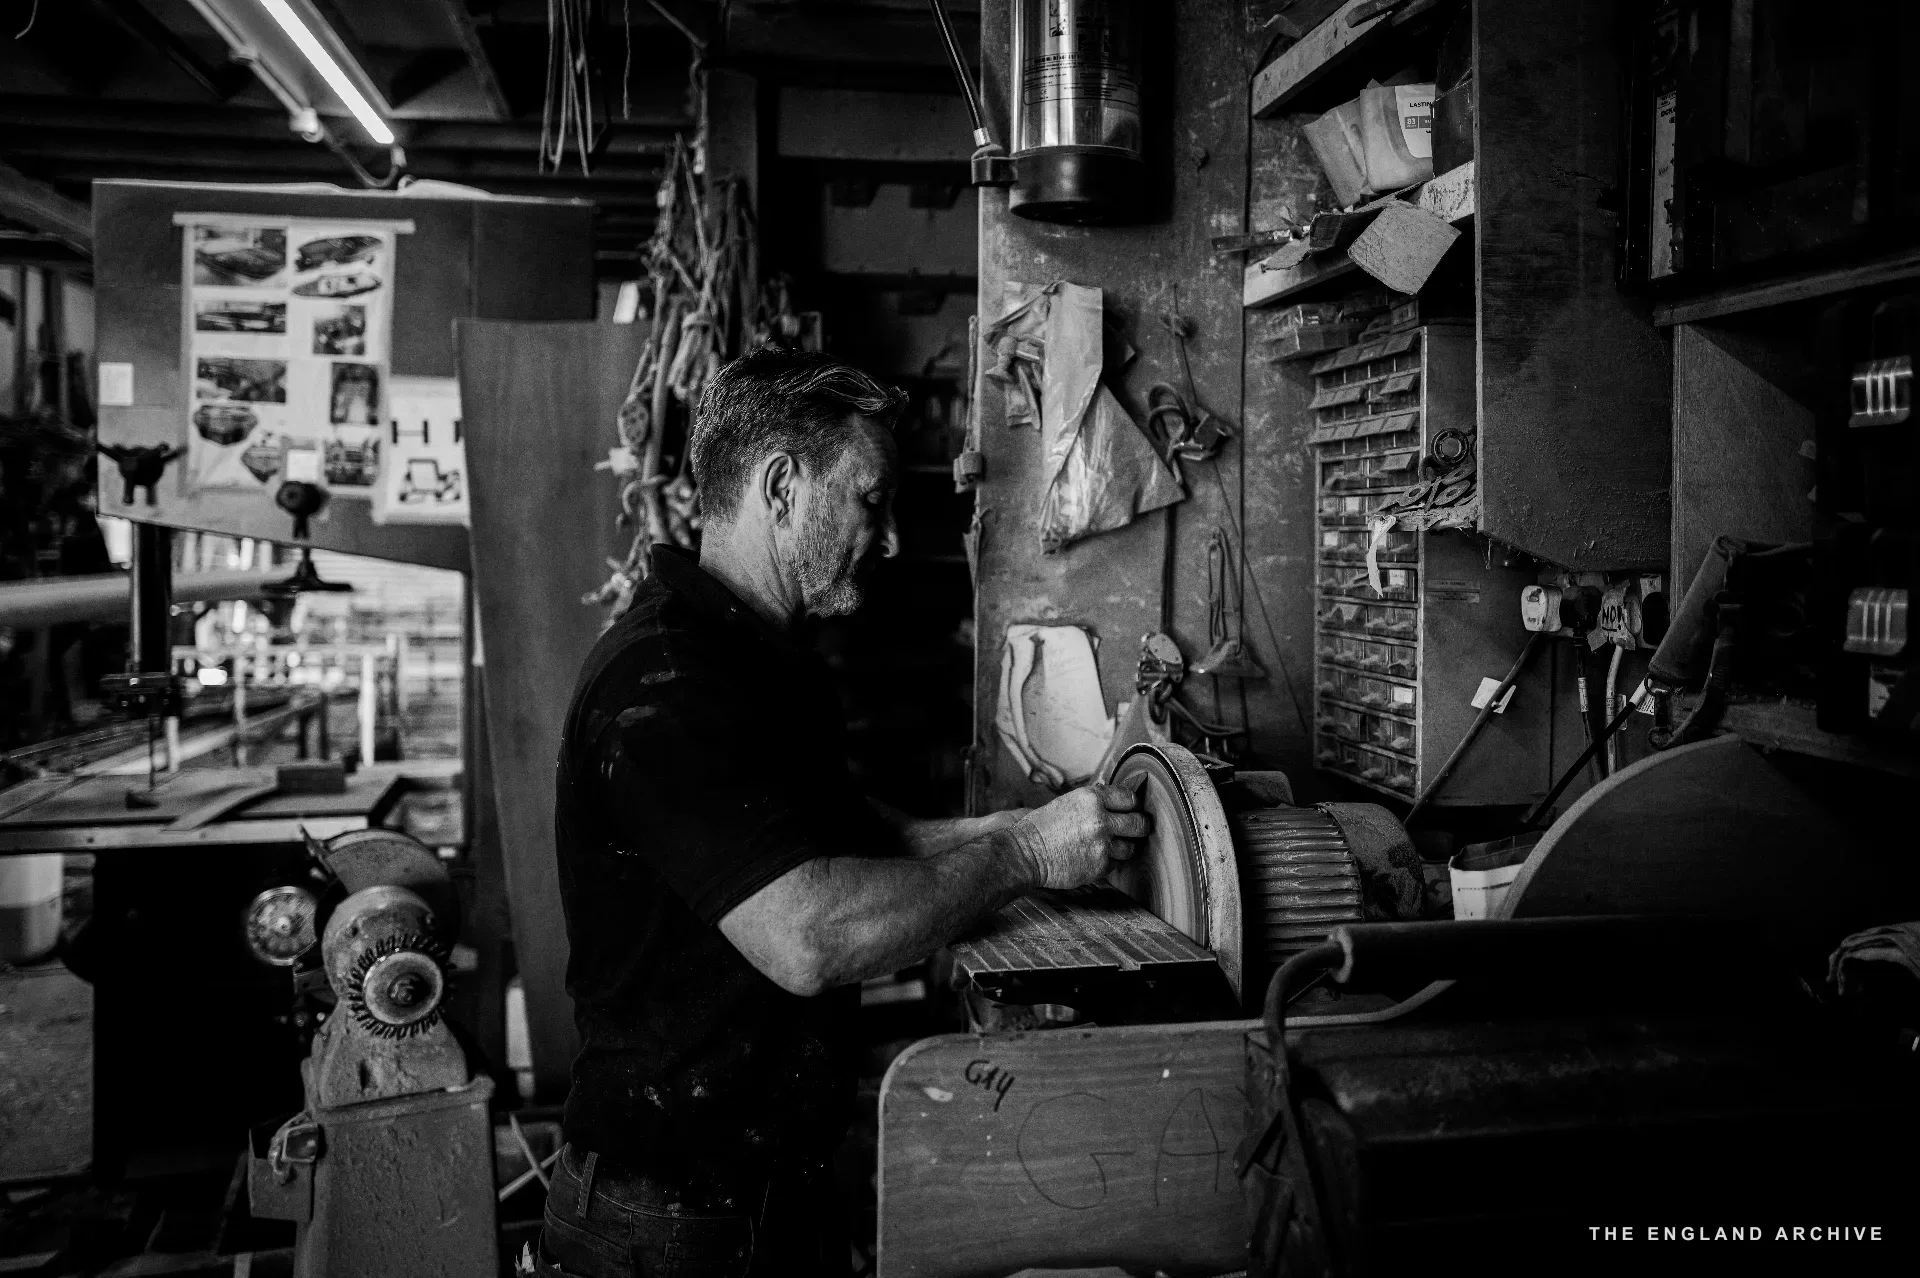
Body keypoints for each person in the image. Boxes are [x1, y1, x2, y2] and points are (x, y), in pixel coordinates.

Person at [537, 347, 1147, 1277]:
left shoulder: (757, 659)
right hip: (668, 1225)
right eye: (871, 500)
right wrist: (1023, 857)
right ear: (781, 486)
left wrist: (1021, 834)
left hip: (766, 1193)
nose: (892, 537)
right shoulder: (664, 685)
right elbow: (808, 934)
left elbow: (851, 839)